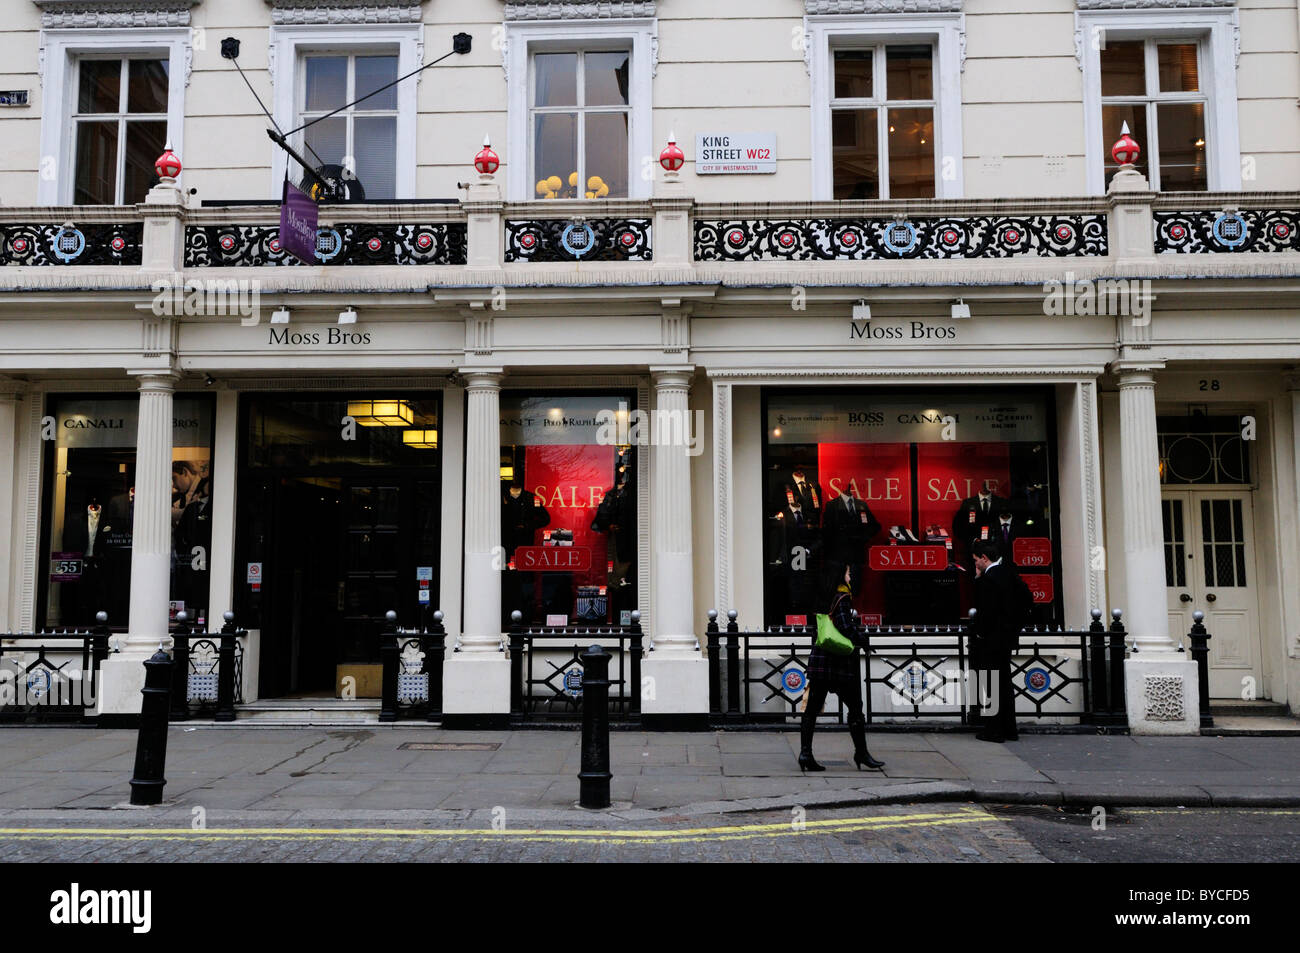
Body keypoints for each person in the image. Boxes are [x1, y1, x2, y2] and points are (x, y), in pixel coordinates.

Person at [798, 561, 884, 773]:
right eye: (847, 573)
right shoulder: (842, 598)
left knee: (811, 709)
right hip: (839, 665)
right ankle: (861, 753)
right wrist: (862, 639)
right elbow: (845, 626)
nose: (850, 577)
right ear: (840, 576)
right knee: (855, 708)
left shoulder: (823, 596)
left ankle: (805, 753)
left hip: (821, 661)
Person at [970, 539, 1033, 743]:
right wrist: (1014, 626)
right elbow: (1027, 598)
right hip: (1006, 638)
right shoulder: (1008, 573)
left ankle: (994, 730)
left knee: (991, 683)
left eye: (976, 560)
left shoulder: (988, 579)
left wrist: (981, 631)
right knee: (1005, 682)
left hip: (991, 640)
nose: (975, 564)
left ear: (984, 558)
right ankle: (1009, 729)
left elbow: (985, 610)